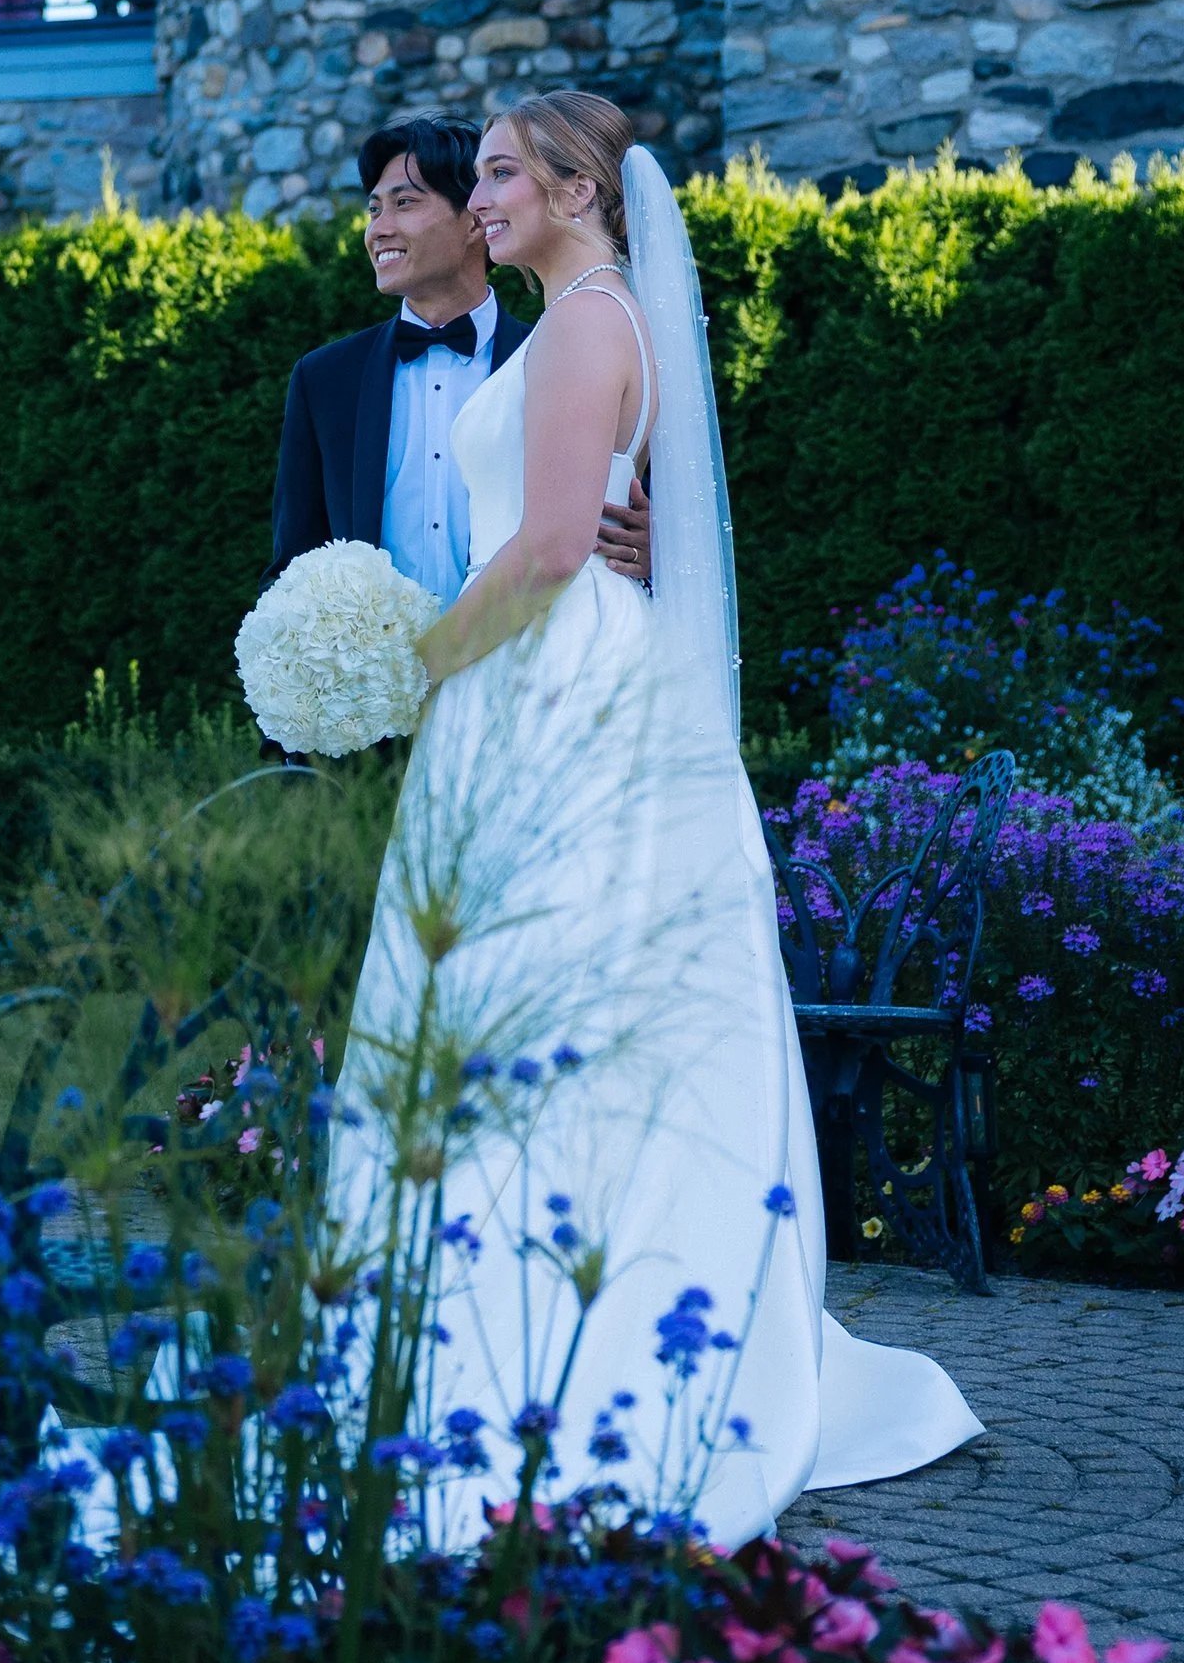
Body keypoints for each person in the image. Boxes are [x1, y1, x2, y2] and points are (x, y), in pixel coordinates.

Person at [334, 91, 981, 1549]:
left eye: (501, 174)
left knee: (527, 993)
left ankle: (536, 1322)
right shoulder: (601, 319)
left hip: (547, 690)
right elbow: (613, 520)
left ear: (576, 187)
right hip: (566, 678)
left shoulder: (580, 324)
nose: (478, 197)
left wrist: (411, 662)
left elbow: (557, 545)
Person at [273, 116, 650, 601]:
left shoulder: (560, 351)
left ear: (475, 219)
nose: (378, 231)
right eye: (373, 210)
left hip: (529, 651)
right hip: (385, 674)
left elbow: (637, 502)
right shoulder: (324, 379)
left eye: (404, 204)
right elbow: (294, 565)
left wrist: (652, 548)